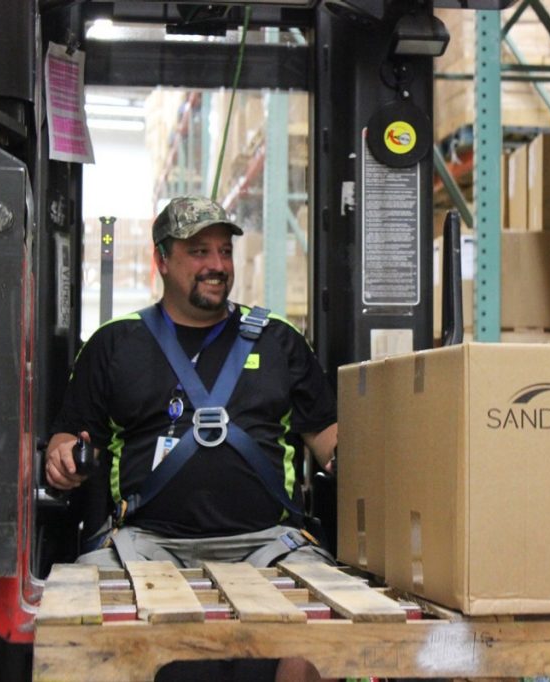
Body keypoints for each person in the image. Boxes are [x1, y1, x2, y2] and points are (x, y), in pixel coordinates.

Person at [45, 196, 337, 681]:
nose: (217, 265)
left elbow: (329, 438)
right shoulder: (116, 344)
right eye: (199, 252)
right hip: (146, 545)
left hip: (267, 544)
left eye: (224, 252)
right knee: (83, 632)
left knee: (327, 628)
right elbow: (67, 438)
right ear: (162, 260)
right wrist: (62, 459)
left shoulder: (278, 340)